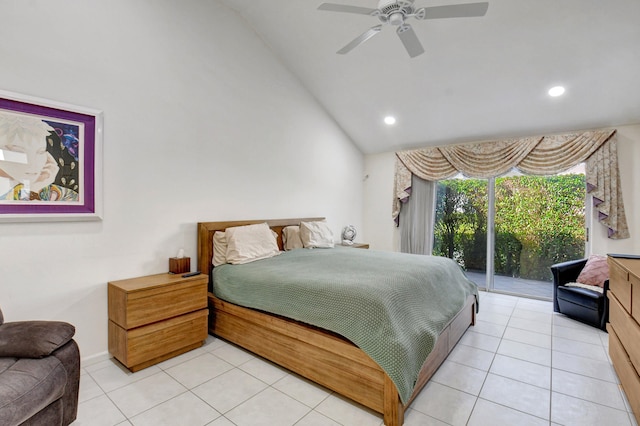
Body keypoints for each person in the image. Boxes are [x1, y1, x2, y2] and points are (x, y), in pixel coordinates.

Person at [0, 111, 78, 201]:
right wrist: (33, 189)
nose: (33, 163)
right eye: (19, 152)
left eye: (40, 152)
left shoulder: (57, 192)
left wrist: (34, 187)